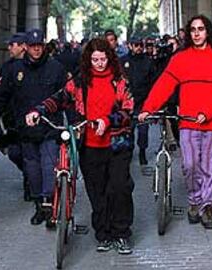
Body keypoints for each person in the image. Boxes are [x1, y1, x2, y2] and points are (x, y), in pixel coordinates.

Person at [26, 38, 135, 254]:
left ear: (109, 58)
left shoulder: (120, 81)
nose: (100, 63)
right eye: (95, 59)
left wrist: (108, 120)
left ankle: (121, 233)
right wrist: (39, 110)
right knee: (97, 192)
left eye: (103, 59)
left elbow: (128, 109)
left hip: (117, 144)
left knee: (119, 188)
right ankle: (103, 234)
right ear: (88, 60)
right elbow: (59, 98)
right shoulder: (80, 81)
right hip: (90, 145)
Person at [138, 15, 212, 229]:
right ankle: (195, 201)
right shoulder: (180, 58)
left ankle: (207, 207)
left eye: (201, 29)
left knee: (211, 166)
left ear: (208, 32)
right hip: (188, 122)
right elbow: (164, 84)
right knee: (190, 165)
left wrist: (208, 113)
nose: (197, 33)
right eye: (193, 30)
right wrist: (148, 108)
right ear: (189, 34)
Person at [0, 28, 66, 227]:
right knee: (32, 169)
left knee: (48, 166)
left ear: (44, 46)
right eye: (32, 46)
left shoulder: (56, 68)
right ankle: (38, 205)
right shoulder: (14, 70)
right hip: (25, 130)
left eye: (39, 46)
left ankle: (51, 205)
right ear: (25, 47)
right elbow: (2, 97)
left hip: (49, 127)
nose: (36, 50)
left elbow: (65, 97)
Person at [0, 32, 31, 201]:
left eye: (12, 45)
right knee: (15, 153)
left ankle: (30, 182)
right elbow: (0, 94)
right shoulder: (7, 67)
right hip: (12, 119)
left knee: (30, 153)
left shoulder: (34, 65)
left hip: (31, 119)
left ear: (22, 46)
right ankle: (28, 173)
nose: (9, 48)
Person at [121, 37, 156, 165]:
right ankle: (129, 151)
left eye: (141, 45)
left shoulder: (147, 61)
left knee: (143, 129)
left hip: (143, 101)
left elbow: (153, 81)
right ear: (130, 46)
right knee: (128, 129)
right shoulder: (123, 61)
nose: (139, 47)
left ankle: (142, 151)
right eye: (136, 45)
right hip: (128, 102)